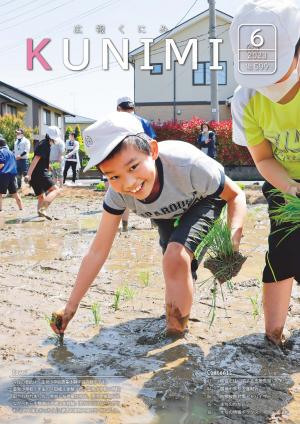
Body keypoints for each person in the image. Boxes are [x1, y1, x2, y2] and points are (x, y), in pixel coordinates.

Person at [50, 111, 246, 338]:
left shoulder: (191, 165)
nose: (129, 183)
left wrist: (232, 243)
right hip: (164, 213)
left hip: (203, 199)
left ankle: (175, 336)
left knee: (175, 256)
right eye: (113, 176)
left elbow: (236, 195)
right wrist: (70, 306)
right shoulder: (117, 195)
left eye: (133, 167)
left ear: (152, 150)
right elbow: (97, 251)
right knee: (176, 265)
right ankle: (181, 314)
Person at [229, 0, 300, 346]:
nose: (269, 85)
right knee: (283, 248)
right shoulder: (247, 100)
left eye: (277, 73)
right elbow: (263, 157)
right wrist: (290, 186)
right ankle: (274, 333)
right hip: (283, 182)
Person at [117, 96, 157, 231]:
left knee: (125, 194)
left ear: (118, 109)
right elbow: (152, 142)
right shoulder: (143, 122)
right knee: (150, 191)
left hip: (125, 165)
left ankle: (125, 227)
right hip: (144, 163)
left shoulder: (115, 124)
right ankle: (154, 224)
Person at [25, 126, 61, 219]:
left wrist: (48, 167)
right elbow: (35, 159)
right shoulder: (44, 144)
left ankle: (40, 215)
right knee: (56, 190)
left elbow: (42, 159)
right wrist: (28, 174)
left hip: (36, 174)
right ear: (50, 137)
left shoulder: (45, 144)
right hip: (39, 173)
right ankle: (43, 209)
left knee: (41, 196)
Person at [0, 135, 23, 212]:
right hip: (12, 175)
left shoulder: (1, 152)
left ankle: (0, 209)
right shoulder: (11, 152)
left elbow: (1, 164)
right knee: (15, 193)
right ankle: (21, 208)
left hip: (3, 175)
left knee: (0, 193)